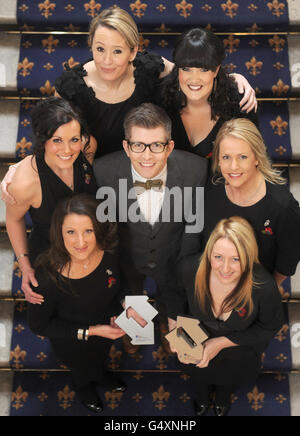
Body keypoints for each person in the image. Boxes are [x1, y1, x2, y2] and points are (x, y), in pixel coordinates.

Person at [55, 6, 256, 158]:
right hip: (100, 175)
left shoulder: (148, 69)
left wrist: (233, 78)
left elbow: (189, 70)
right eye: (100, 49)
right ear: (90, 46)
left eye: (117, 51)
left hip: (148, 169)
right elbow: (51, 133)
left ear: (133, 51)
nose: (107, 60)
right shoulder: (71, 87)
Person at [93, 102, 208, 351]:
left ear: (170, 146)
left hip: (174, 256)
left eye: (156, 145)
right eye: (138, 145)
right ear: (126, 146)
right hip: (129, 259)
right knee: (134, 321)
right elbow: (107, 232)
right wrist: (121, 290)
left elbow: (193, 226)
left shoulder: (196, 169)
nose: (147, 156)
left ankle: (170, 323)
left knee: (180, 334)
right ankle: (138, 329)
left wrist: (184, 271)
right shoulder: (103, 171)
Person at [167, 217, 284, 416]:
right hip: (195, 339)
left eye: (236, 259)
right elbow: (172, 294)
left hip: (238, 350)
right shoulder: (191, 268)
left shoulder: (263, 287)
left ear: (248, 256)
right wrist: (174, 328)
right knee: (198, 376)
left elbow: (269, 327)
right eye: (218, 257)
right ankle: (202, 398)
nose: (225, 268)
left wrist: (220, 343)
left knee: (228, 381)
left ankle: (222, 397)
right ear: (209, 252)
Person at [27, 193, 126, 414]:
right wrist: (90, 331)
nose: (80, 242)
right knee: (81, 369)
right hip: (72, 339)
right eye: (70, 232)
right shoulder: (46, 278)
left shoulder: (110, 253)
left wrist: (120, 310)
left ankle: (101, 375)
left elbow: (117, 286)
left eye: (88, 231)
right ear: (59, 233)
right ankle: (84, 388)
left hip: (105, 329)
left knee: (100, 359)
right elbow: (38, 326)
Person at [4, 97, 98, 304]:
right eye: (57, 140)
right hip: (52, 258)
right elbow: (13, 220)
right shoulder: (24, 183)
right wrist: (25, 264)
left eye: (74, 139)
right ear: (42, 139)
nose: (67, 150)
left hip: (90, 249)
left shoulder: (86, 147)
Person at [202, 118, 300, 288]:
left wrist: (260, 297)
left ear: (257, 157)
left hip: (256, 294)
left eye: (242, 157)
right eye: (226, 157)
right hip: (210, 290)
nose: (233, 166)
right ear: (218, 159)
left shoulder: (283, 207)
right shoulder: (210, 190)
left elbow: (287, 264)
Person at [159, 28, 258, 159]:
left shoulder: (238, 102)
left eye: (204, 69)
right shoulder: (161, 98)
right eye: (186, 69)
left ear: (216, 70)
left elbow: (254, 159)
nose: (194, 79)